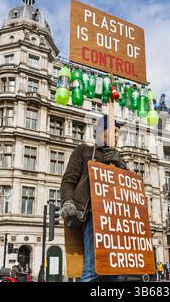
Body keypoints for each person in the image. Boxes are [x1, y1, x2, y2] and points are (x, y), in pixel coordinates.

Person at [60, 115, 126, 282]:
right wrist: (67, 201)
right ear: (99, 132)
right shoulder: (83, 151)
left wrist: (121, 165)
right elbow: (68, 180)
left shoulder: (118, 158)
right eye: (114, 131)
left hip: (116, 218)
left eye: (119, 132)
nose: (117, 135)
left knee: (112, 270)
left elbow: (130, 186)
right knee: (93, 266)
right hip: (93, 214)